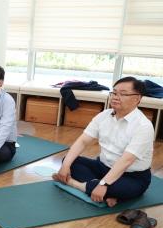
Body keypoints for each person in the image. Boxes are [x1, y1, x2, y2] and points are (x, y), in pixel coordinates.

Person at [53, 76, 154, 208]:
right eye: (114, 92)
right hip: (103, 167)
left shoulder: (143, 126)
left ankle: (74, 184)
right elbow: (83, 141)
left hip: (132, 177)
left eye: (123, 94)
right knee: (70, 160)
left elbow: (126, 161)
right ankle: (103, 192)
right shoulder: (104, 115)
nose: (116, 97)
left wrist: (103, 184)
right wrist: (65, 166)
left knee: (108, 186)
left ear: (137, 99)